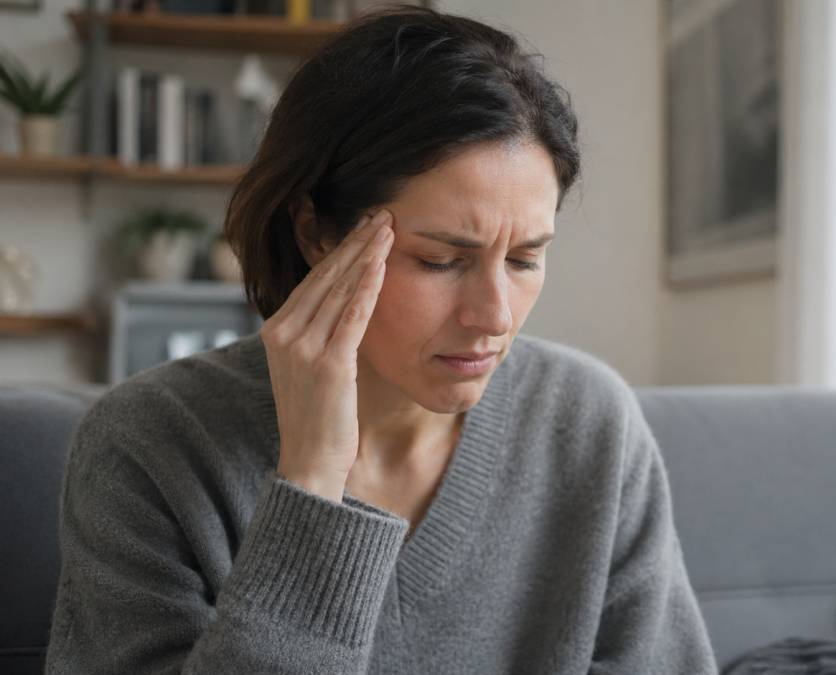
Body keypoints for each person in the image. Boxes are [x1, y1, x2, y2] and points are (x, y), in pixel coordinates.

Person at [44, 6, 718, 674]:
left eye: (524, 259)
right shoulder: (146, 444)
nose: (494, 315)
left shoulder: (588, 420)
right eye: (441, 259)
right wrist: (311, 485)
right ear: (316, 233)